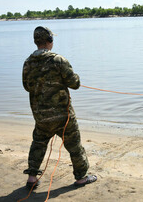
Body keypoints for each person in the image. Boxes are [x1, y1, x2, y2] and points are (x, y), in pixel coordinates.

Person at [22, 26, 97, 189]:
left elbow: (27, 86)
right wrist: (74, 79)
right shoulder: (58, 60)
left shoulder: (28, 62)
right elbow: (74, 83)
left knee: (38, 143)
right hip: (63, 117)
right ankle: (81, 177)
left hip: (41, 116)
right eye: (52, 39)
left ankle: (32, 178)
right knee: (74, 145)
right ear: (49, 41)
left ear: (36, 41)